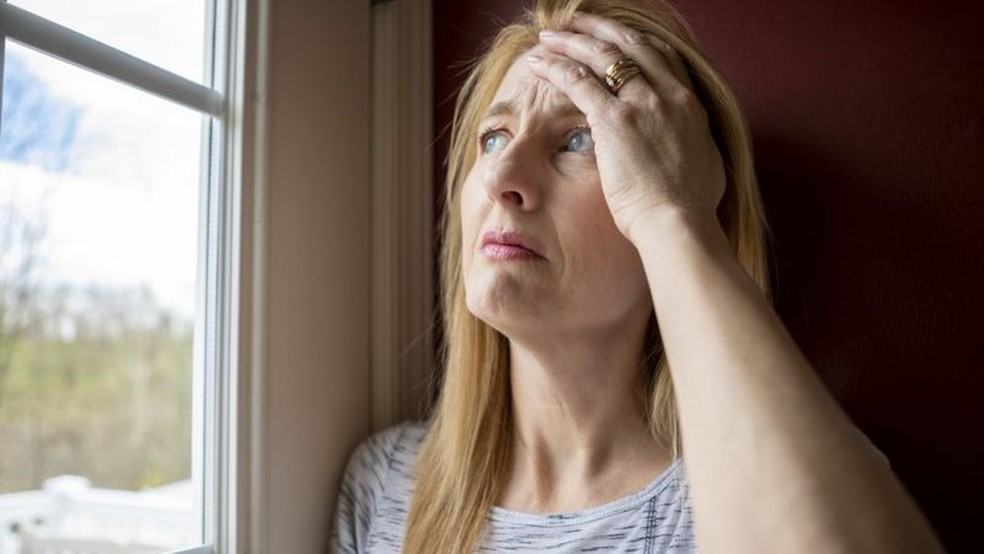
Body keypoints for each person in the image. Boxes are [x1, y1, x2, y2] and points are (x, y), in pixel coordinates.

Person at [330, 0, 944, 552]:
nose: (500, 178)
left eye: (578, 139)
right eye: (493, 138)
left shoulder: (773, 485)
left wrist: (672, 216)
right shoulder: (389, 486)